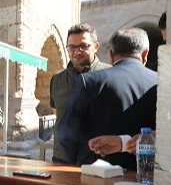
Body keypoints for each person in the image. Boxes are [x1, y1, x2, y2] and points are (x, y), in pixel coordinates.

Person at [56, 28, 158, 170]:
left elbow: (65, 132)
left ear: (111, 54)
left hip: (97, 175)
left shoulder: (89, 81)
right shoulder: (161, 83)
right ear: (145, 53)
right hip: (147, 176)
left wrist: (83, 159)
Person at [49, 24, 111, 163]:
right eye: (71, 47)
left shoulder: (110, 75)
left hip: (99, 159)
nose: (77, 51)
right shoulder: (57, 80)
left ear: (96, 46)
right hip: (62, 158)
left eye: (84, 46)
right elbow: (57, 113)